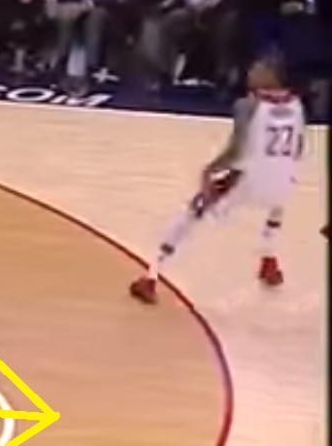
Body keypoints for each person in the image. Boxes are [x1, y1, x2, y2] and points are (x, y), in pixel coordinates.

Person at [129, 57, 305, 303]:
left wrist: (210, 170)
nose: (250, 72)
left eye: (256, 69)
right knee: (277, 201)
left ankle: (151, 276)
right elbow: (298, 148)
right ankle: (269, 260)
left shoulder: (247, 105)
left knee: (192, 212)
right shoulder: (297, 104)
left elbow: (237, 151)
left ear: (271, 75)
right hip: (281, 185)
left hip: (248, 182)